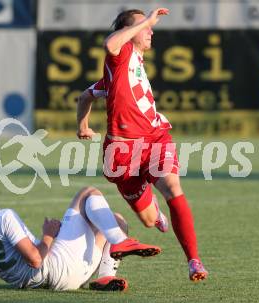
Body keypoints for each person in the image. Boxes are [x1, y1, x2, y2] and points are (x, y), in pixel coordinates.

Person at [76, 8, 208, 281]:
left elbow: (84, 97)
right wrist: (82, 127)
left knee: (173, 188)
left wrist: (83, 125)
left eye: (149, 26)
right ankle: (155, 213)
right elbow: (109, 47)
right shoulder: (120, 53)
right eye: (144, 26)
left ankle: (194, 261)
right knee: (149, 221)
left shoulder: (133, 63)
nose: (150, 30)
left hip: (154, 139)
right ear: (128, 32)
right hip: (121, 154)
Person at [0, 179, 161, 291]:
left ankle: (105, 276)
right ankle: (120, 243)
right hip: (56, 267)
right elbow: (35, 259)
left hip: (55, 282)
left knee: (117, 221)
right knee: (88, 193)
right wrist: (49, 235)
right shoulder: (3, 217)